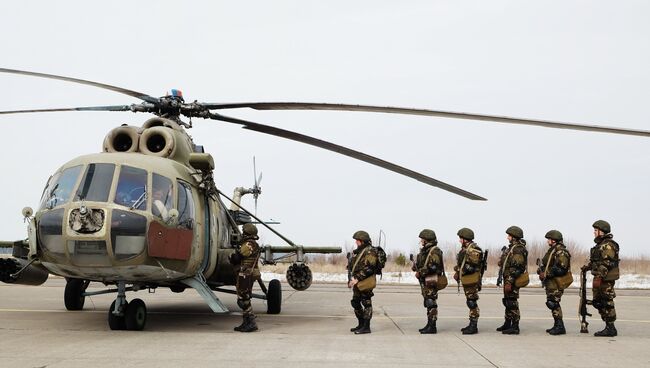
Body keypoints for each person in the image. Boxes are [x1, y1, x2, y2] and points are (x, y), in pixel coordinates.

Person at [584, 220, 620, 337]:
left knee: (607, 301)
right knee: (598, 302)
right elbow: (596, 262)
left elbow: (606, 263)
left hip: (605, 279)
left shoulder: (608, 245)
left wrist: (599, 276)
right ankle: (608, 326)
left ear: (602, 231)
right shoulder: (600, 245)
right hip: (600, 278)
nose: (594, 233)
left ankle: (611, 328)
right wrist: (587, 267)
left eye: (595, 230)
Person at [537, 230, 572, 335]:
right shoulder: (553, 250)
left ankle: (560, 326)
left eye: (549, 239)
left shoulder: (561, 251)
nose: (548, 241)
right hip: (551, 282)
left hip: (557, 282)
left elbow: (561, 268)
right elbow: (549, 264)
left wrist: (546, 273)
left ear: (553, 240)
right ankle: (557, 325)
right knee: (552, 302)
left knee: (553, 303)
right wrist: (541, 270)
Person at [229, 223, 261, 332]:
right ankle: (247, 322)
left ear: (247, 233)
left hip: (247, 273)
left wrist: (234, 257)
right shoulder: (249, 243)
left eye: (244, 232)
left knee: (243, 298)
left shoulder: (250, 244)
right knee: (243, 297)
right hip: (245, 273)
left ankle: (251, 322)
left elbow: (240, 255)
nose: (242, 233)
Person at [496, 226, 528, 335]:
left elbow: (517, 268)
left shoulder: (518, 249)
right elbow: (507, 264)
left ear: (514, 237)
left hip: (512, 280)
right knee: (507, 301)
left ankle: (515, 326)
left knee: (512, 302)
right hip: (508, 279)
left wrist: (509, 281)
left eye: (509, 235)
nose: (507, 237)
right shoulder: (511, 249)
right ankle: (507, 323)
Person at [413, 229, 444, 334]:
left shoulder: (434, 251)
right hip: (426, 281)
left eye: (422, 239)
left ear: (427, 240)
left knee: (431, 302)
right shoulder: (425, 251)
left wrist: (420, 272)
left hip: (431, 280)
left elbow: (433, 267)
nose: (421, 241)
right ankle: (429, 324)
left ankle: (432, 326)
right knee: (428, 301)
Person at [453, 227, 483, 335]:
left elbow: (472, 267)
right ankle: (471, 324)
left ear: (466, 239)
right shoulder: (466, 249)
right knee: (470, 301)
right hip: (467, 280)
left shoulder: (474, 250)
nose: (460, 240)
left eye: (461, 238)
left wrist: (459, 270)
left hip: (472, 280)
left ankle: (473, 326)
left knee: (472, 302)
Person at [348, 230, 379, 334]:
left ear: (362, 241)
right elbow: (357, 265)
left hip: (365, 281)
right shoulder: (360, 251)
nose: (356, 243)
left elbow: (370, 268)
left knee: (366, 303)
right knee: (355, 302)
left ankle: (366, 327)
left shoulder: (370, 251)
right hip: (357, 281)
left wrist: (357, 279)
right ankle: (361, 324)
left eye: (357, 241)